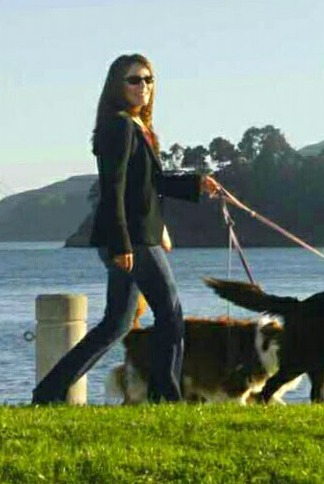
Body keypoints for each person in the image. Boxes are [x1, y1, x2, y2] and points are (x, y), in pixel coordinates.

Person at [32, 53, 220, 404]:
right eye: (134, 80)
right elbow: (114, 188)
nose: (143, 87)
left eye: (148, 79)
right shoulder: (119, 126)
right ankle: (166, 397)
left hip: (137, 236)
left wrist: (197, 185)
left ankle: (48, 392)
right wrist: (122, 245)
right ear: (117, 86)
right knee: (171, 313)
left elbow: (153, 182)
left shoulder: (139, 127)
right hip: (131, 239)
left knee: (116, 324)